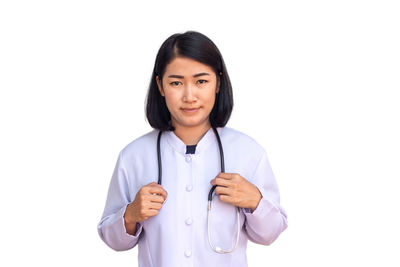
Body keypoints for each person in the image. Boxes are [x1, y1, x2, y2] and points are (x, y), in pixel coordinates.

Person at [97, 30, 288, 267]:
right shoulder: (134, 156)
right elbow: (113, 240)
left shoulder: (248, 153)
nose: (189, 96)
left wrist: (255, 201)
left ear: (217, 83)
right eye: (176, 82)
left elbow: (269, 234)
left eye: (201, 81)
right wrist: (131, 214)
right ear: (160, 86)